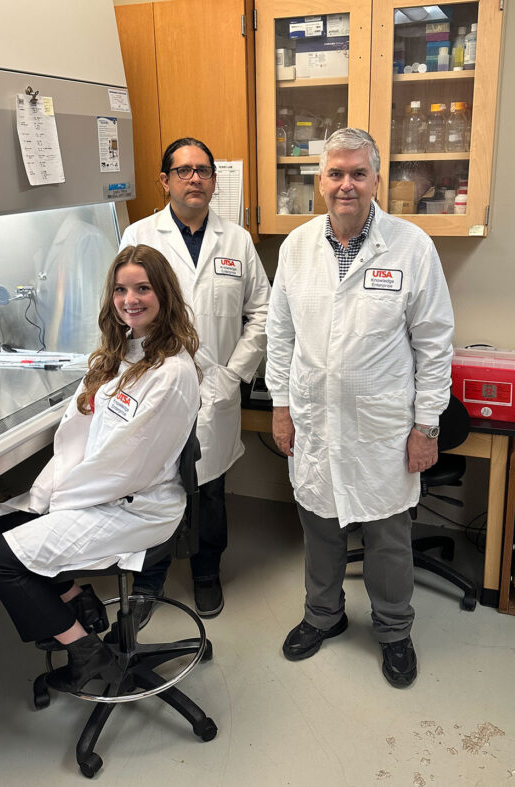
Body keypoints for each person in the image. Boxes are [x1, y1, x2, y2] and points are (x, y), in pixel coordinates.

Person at [265, 128, 454, 688]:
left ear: (376, 180)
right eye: (336, 174)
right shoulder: (296, 247)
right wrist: (280, 405)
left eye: (358, 173)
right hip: (314, 419)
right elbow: (280, 335)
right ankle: (323, 616)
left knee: (387, 536)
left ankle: (394, 630)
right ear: (320, 180)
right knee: (319, 525)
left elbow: (435, 342)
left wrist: (426, 425)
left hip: (383, 427)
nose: (346, 184)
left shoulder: (411, 246)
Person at [0, 244, 201, 693]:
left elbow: (128, 466)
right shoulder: (123, 352)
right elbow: (88, 428)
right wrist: (56, 495)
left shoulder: (171, 372)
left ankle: (88, 653)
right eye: (121, 289)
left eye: (142, 289)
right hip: (98, 488)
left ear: (165, 296)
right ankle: (77, 601)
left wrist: (61, 501)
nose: (129, 299)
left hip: (135, 505)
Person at [119, 137, 270, 617]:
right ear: (165, 181)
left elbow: (263, 313)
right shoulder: (139, 237)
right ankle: (149, 581)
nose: (194, 179)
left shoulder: (238, 240)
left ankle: (207, 575)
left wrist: (233, 377)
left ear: (213, 180)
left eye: (203, 171)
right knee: (151, 486)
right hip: (156, 386)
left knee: (209, 490)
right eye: (183, 171)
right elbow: (124, 311)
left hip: (216, 390)